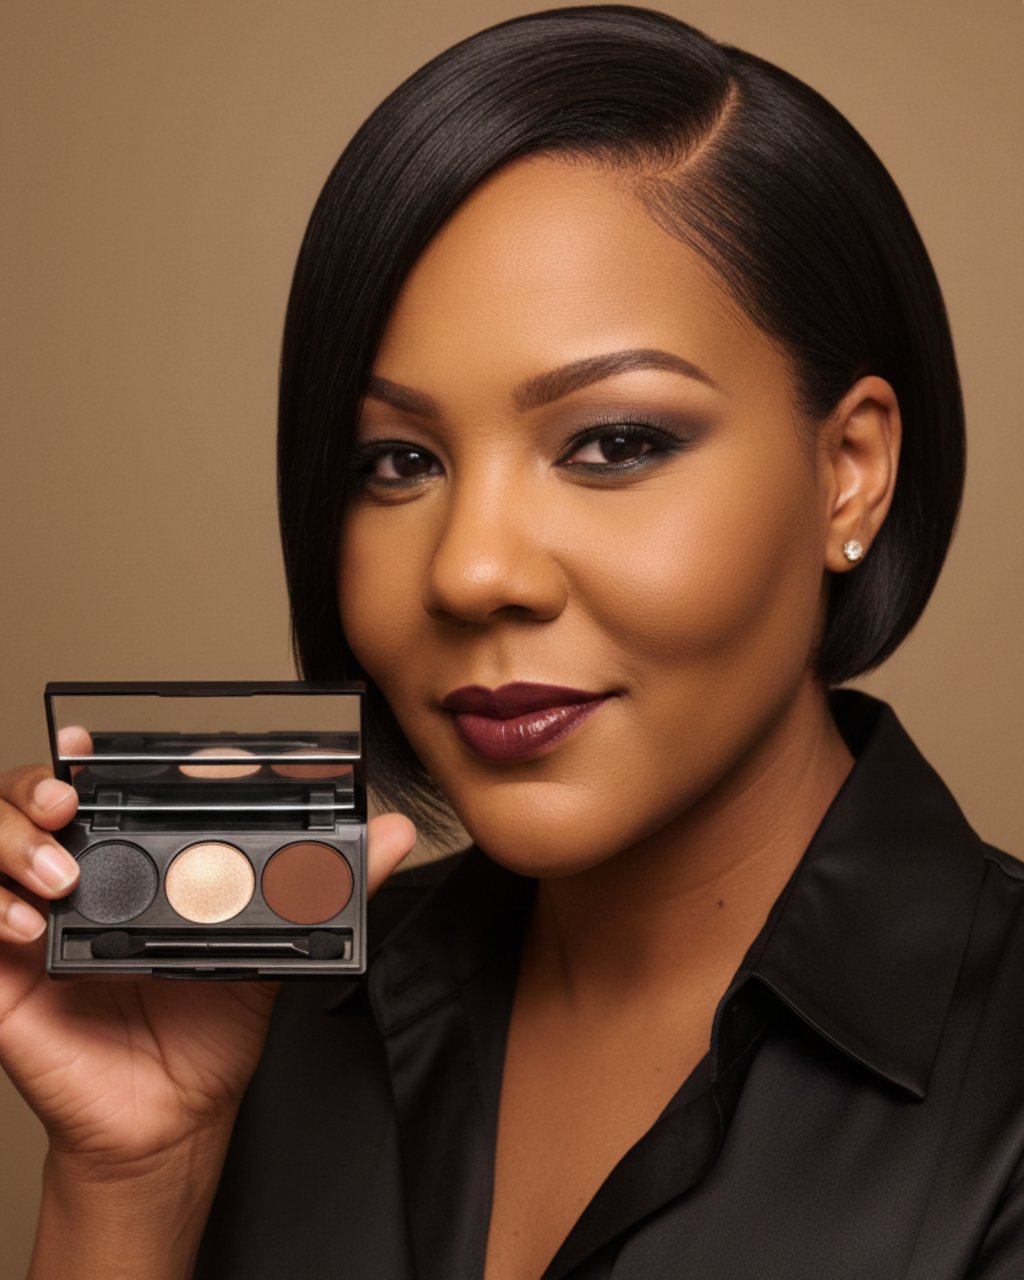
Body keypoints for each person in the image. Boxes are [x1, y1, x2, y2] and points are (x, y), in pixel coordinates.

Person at [1, 6, 1020, 1277]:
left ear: (850, 471)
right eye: (398, 460)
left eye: (614, 442)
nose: (471, 569)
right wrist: (129, 1179)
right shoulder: (271, 1024)